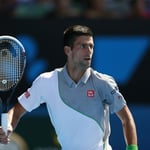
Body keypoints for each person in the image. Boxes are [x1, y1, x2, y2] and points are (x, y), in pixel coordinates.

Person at [0, 25, 138, 150]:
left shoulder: (104, 83)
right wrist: (8, 126)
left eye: (91, 46)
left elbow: (126, 119)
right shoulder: (46, 82)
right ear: (68, 50)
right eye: (83, 46)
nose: (89, 51)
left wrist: (132, 148)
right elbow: (17, 111)